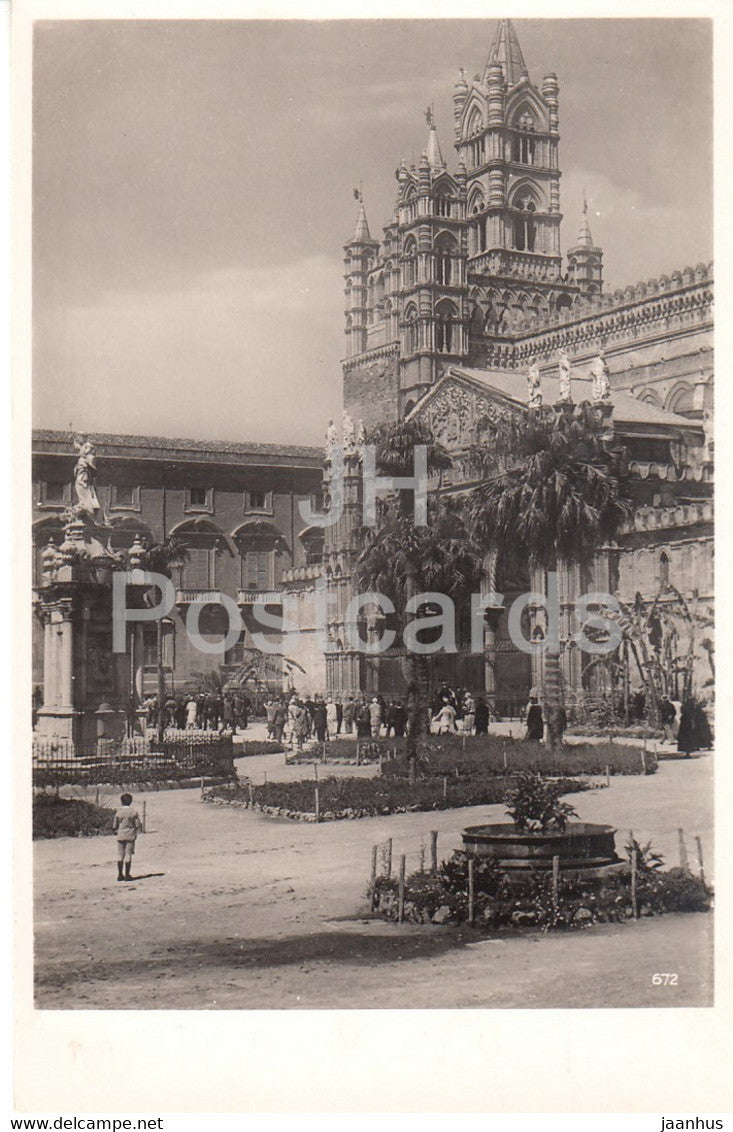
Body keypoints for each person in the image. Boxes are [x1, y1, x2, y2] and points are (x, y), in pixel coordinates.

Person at [112, 793, 143, 882]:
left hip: (121, 834)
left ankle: (119, 874)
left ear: (121, 801)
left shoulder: (119, 812)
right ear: (131, 801)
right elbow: (137, 825)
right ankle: (127, 874)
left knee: (120, 854)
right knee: (128, 854)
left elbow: (114, 826)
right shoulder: (133, 812)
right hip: (130, 835)